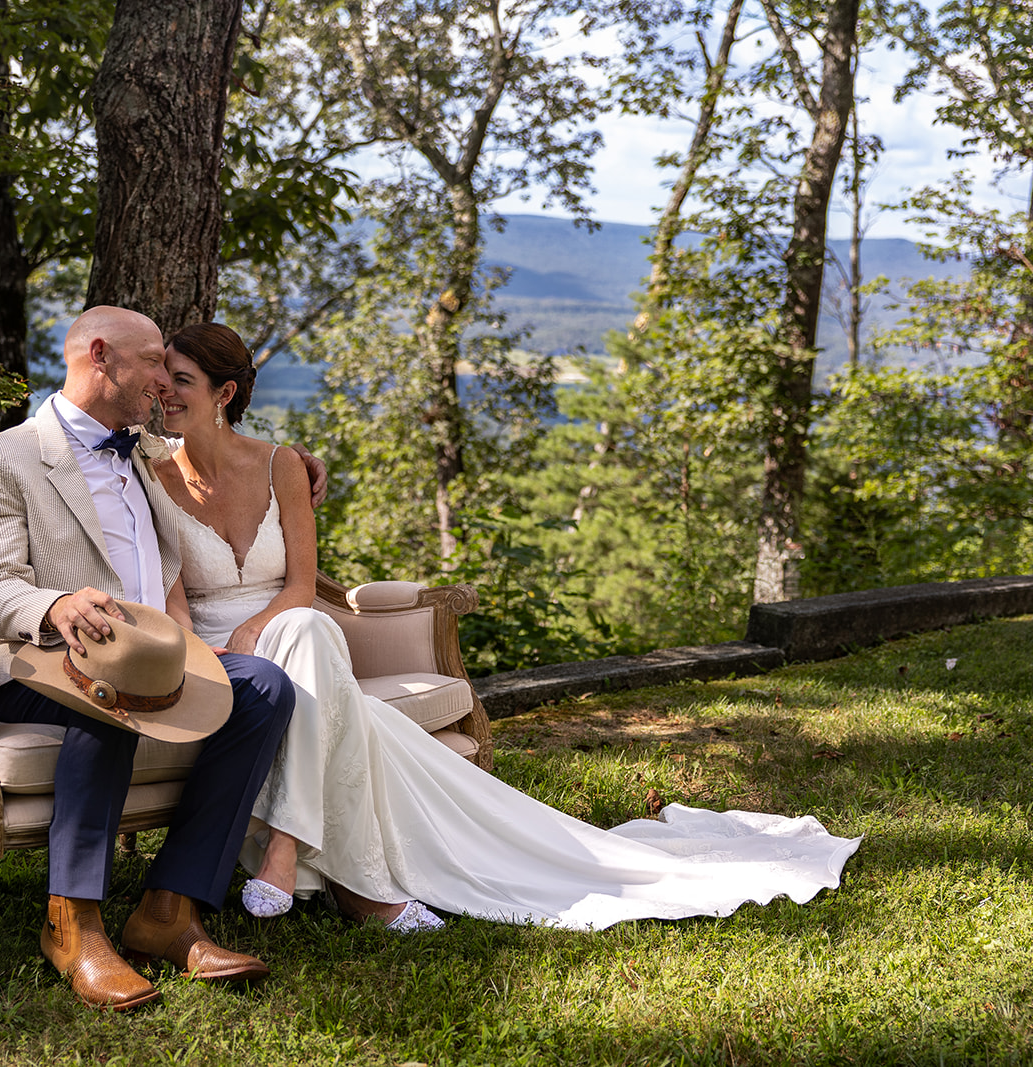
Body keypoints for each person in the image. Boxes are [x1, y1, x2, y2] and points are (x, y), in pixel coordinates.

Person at [152, 322, 863, 932]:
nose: (165, 392)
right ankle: (351, 880)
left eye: (181, 379)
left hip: (286, 625)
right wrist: (210, 647)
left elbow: (303, 587)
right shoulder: (149, 476)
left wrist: (260, 627)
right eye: (163, 379)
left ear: (225, 394)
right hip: (214, 647)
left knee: (304, 632)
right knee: (322, 671)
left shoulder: (282, 465)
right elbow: (173, 592)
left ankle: (288, 846)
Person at [0, 306, 296, 1012]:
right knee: (106, 700)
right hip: (36, 662)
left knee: (263, 686)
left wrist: (296, 469)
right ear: (102, 357)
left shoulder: (141, 449)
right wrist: (53, 606)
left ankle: (170, 907)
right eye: (152, 365)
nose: (163, 386)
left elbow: (216, 465)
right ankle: (72, 923)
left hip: (149, 657)